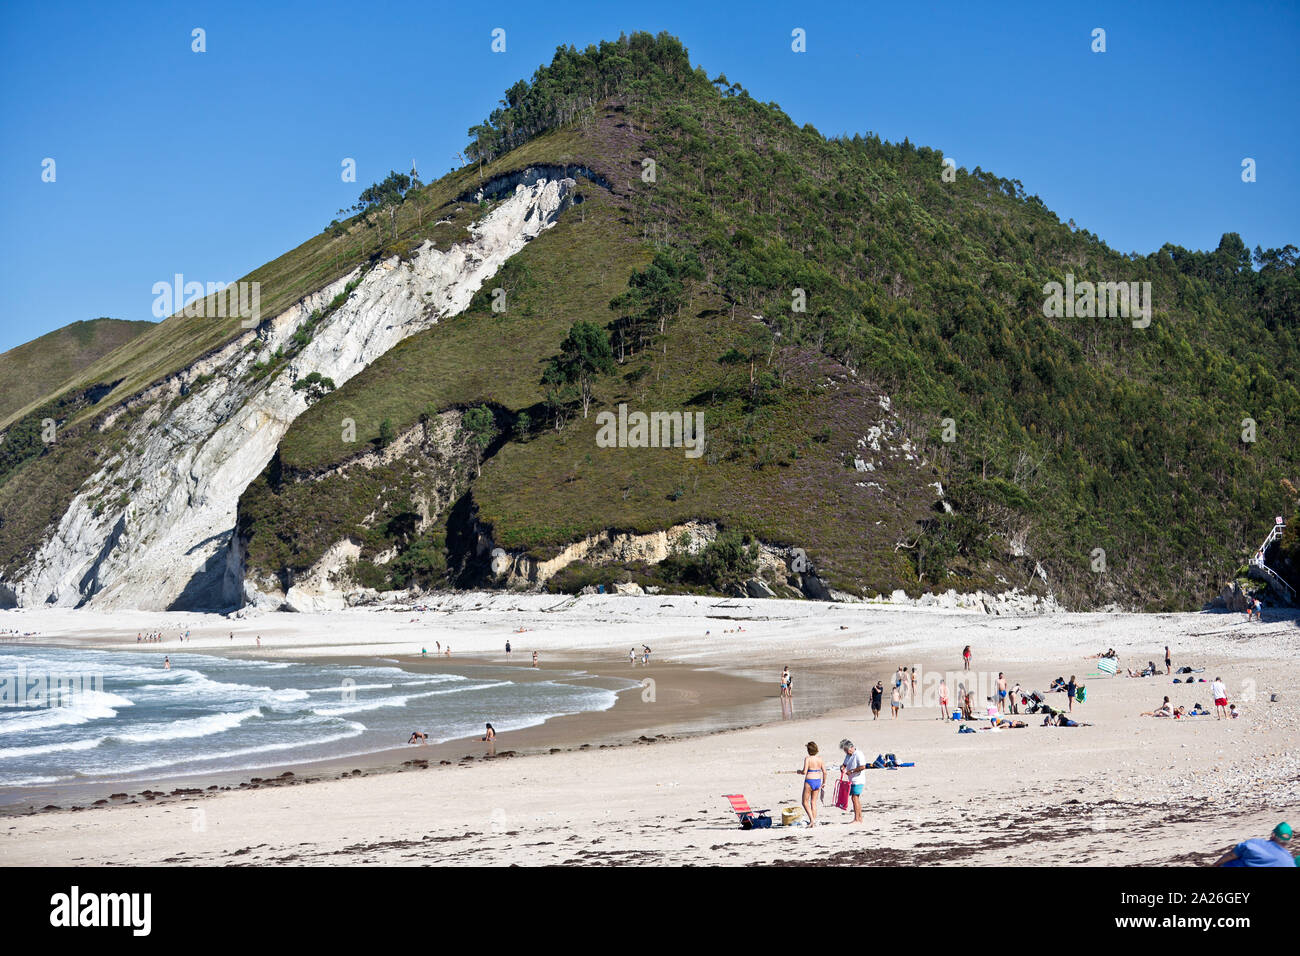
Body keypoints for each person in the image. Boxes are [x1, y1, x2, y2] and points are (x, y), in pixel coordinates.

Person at [1214, 823, 1295, 867]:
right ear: (1289, 841)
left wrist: (1216, 864)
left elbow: (1232, 855)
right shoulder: (1289, 861)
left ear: (1273, 835)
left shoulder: (1255, 844)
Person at [798, 741, 826, 827]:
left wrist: (799, 772)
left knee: (804, 802)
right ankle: (813, 821)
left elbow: (804, 772)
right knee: (813, 802)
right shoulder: (820, 759)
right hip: (818, 781)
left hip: (809, 781)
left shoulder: (808, 759)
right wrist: (824, 783)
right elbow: (825, 772)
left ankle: (812, 820)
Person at [839, 739, 866, 823]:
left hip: (858, 779)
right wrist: (842, 767)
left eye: (846, 750)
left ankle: (857, 819)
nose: (846, 753)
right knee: (855, 798)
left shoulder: (858, 754)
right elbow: (844, 764)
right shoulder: (848, 755)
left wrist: (851, 771)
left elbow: (863, 767)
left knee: (854, 798)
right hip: (852, 780)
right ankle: (859, 818)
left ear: (851, 747)